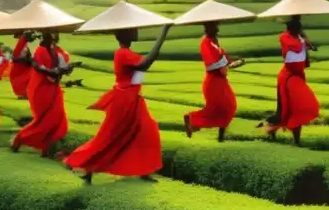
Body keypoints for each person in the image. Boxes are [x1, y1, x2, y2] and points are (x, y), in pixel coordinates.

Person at [65, 25, 171, 183]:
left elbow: (142, 64)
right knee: (110, 137)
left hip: (133, 99)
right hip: (124, 100)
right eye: (133, 29)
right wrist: (162, 35)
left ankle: (145, 170)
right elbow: (145, 64)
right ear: (126, 34)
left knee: (147, 131)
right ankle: (83, 164)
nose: (136, 31)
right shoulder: (123, 53)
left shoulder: (126, 53)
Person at [12, 31, 77, 157]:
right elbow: (40, 68)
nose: (54, 35)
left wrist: (67, 69)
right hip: (41, 90)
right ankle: (19, 139)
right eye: (51, 32)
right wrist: (57, 71)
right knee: (43, 122)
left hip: (54, 89)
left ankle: (46, 150)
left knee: (57, 120)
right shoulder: (40, 50)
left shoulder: (57, 50)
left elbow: (62, 66)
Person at [260, 16, 319, 146]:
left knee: (293, 109)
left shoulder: (300, 37)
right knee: (297, 107)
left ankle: (273, 128)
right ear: (289, 27)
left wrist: (308, 43)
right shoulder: (285, 37)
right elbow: (294, 46)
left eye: (299, 25)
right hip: (288, 77)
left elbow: (305, 47)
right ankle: (280, 131)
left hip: (298, 76)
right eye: (295, 25)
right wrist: (304, 41)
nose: (298, 27)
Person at [184, 22, 242, 142]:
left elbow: (224, 63)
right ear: (208, 29)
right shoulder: (207, 43)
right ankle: (192, 119)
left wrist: (232, 64)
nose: (217, 29)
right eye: (214, 27)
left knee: (227, 107)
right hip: (214, 82)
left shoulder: (214, 43)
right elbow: (216, 67)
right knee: (220, 108)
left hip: (219, 82)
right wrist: (226, 66)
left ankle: (219, 136)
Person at [9, 32, 36, 99]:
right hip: (18, 68)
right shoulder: (17, 45)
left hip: (24, 67)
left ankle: (25, 93)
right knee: (20, 81)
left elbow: (28, 57)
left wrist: (30, 60)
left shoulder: (25, 47)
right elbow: (14, 58)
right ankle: (22, 94)